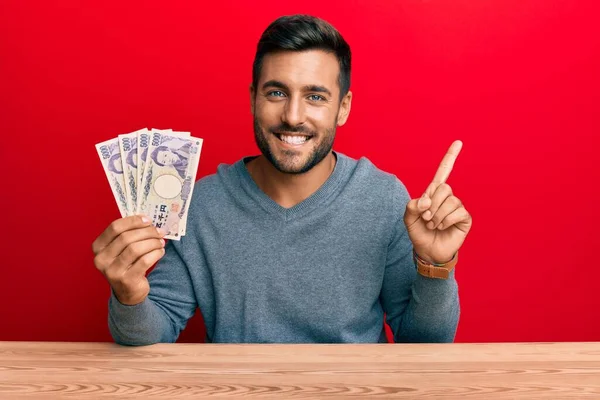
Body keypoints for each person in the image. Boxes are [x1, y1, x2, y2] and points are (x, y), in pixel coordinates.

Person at [92, 14, 472, 345]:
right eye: (276, 92)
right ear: (253, 98)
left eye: (315, 97)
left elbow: (424, 344)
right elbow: (150, 335)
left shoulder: (383, 198)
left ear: (343, 108)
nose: (293, 115)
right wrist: (130, 295)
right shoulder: (200, 205)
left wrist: (435, 267)